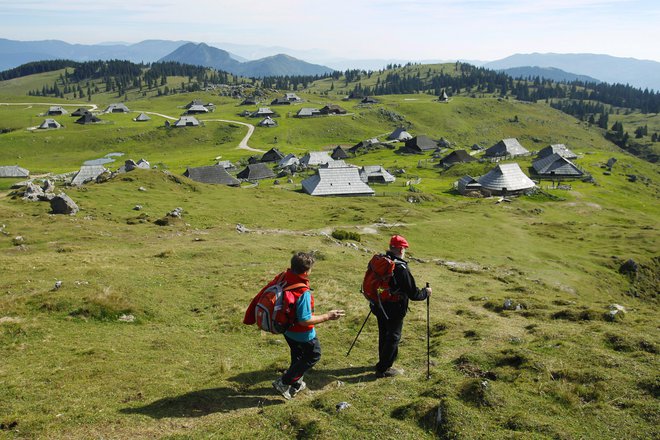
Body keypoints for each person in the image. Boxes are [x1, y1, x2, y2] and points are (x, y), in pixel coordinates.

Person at [270, 252, 345, 399]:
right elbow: (304, 320)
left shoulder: (284, 277)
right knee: (313, 355)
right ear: (307, 271)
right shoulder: (303, 292)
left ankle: (296, 382)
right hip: (303, 333)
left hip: (286, 329)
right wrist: (328, 316)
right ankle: (284, 382)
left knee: (297, 355)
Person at [372, 235, 431, 378]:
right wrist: (426, 292)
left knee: (384, 333)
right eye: (404, 248)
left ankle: (383, 361)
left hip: (379, 304)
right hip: (395, 307)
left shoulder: (381, 260)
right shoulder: (400, 268)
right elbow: (413, 293)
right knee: (393, 337)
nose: (405, 251)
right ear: (400, 248)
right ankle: (383, 368)